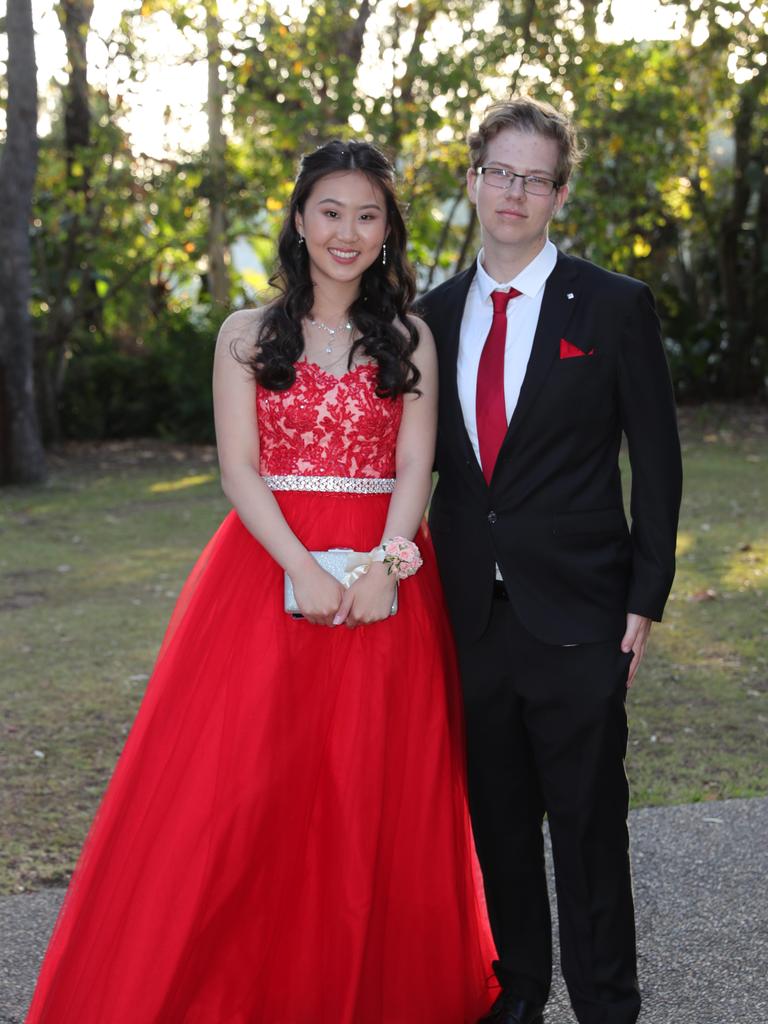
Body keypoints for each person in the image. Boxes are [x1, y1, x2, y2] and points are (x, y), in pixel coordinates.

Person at [25, 140, 496, 1024]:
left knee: (364, 796)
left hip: (381, 587)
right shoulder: (243, 334)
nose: (347, 232)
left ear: (387, 229)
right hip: (263, 576)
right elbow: (239, 471)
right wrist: (301, 570)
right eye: (331, 212)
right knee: (240, 793)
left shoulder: (408, 337)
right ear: (299, 218)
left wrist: (389, 569)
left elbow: (416, 469)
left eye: (367, 216)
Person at [419, 98, 683, 1024]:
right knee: (496, 822)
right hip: (468, 617)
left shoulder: (614, 307)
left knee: (587, 826)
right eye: (501, 172)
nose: (515, 192)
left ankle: (608, 1003)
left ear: (559, 194)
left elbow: (656, 460)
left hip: (581, 614)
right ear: (474, 179)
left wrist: (645, 597)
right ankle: (519, 989)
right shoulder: (431, 317)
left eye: (536, 178)